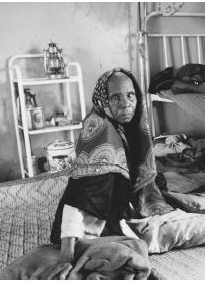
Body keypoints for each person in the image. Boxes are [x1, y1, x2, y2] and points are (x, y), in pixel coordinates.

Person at [48, 68, 173, 279]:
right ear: (103, 100)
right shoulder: (101, 129)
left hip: (121, 211)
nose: (126, 103)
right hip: (95, 229)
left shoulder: (122, 126)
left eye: (130, 95)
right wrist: (66, 254)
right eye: (115, 97)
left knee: (200, 210)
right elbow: (78, 196)